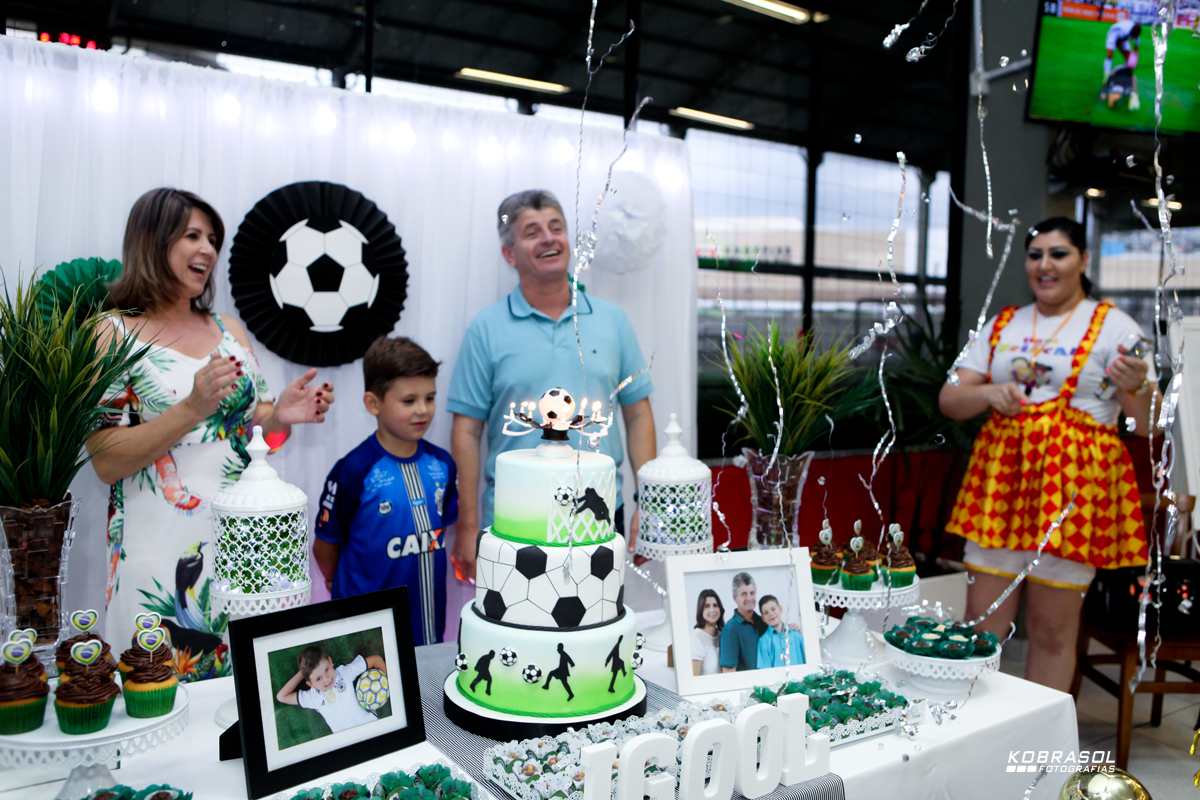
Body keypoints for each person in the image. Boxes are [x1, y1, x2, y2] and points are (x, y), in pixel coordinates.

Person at [89, 188, 334, 682]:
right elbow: (106, 461)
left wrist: (282, 415)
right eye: (192, 236)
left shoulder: (229, 330)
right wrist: (190, 408)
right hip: (160, 552)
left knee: (242, 692)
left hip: (242, 545)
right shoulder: (112, 332)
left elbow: (252, 427)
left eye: (213, 239)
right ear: (151, 242)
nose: (207, 249)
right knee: (158, 693)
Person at [940, 217, 1155, 692]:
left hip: (1073, 493)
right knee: (982, 621)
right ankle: (970, 735)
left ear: (1083, 259)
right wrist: (990, 393)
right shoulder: (1004, 324)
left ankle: (1042, 756)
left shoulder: (1114, 326)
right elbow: (950, 399)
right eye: (1035, 254)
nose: (1045, 264)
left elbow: (1146, 423)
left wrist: (1135, 386)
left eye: (1058, 253)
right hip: (1002, 485)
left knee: (1051, 631)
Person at [447, 189, 656, 583]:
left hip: (599, 516)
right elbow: (467, 430)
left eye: (556, 227)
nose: (548, 238)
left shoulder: (613, 321)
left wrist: (648, 506)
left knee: (597, 633)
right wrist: (468, 524)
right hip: (512, 520)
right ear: (510, 254)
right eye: (532, 231)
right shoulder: (486, 329)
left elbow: (639, 414)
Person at [313, 336, 458, 646]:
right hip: (365, 629)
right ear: (373, 403)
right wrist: (335, 580)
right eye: (409, 401)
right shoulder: (354, 470)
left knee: (425, 688)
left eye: (430, 398)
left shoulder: (442, 465)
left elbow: (439, 528)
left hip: (427, 627)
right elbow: (325, 549)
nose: (423, 410)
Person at [276, 645, 387, 734]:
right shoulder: (313, 697)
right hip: (346, 745)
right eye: (318, 678)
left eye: (327, 669)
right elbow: (281, 696)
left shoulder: (344, 673)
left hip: (372, 728)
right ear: (310, 684)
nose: (327, 679)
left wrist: (384, 686)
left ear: (330, 661)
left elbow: (376, 660)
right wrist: (303, 671)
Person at [719, 573, 767, 672]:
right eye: (744, 594)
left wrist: (792, 629)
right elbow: (729, 673)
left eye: (752, 593)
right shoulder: (730, 629)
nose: (749, 598)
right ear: (735, 598)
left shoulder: (763, 622)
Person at [756, 595, 806, 668]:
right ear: (763, 618)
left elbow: (808, 660)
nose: (771, 614)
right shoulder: (763, 642)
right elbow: (765, 672)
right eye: (766, 613)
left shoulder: (796, 634)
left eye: (773, 609)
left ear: (780, 609)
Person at [1102, 20, 1141, 110]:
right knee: (1110, 55)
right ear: (1132, 31)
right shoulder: (1125, 29)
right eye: (1134, 35)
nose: (1135, 37)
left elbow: (1136, 48)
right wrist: (1120, 48)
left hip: (1123, 38)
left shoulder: (1137, 35)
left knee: (1128, 57)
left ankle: (1125, 76)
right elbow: (1118, 41)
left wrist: (1134, 59)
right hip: (1114, 33)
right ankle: (1106, 76)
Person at [691, 589, 724, 676]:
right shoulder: (696, 638)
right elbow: (695, 678)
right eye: (707, 606)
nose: (712, 610)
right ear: (701, 610)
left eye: (715, 605)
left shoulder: (722, 634)